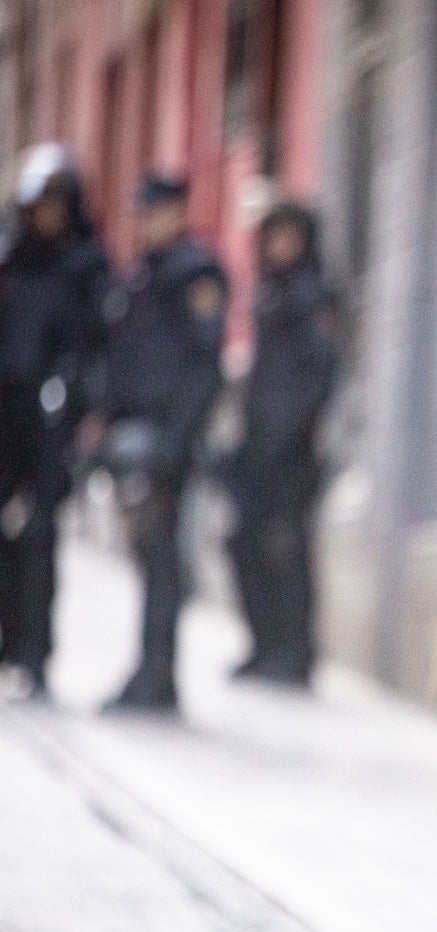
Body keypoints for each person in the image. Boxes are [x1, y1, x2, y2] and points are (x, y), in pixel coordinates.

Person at [100, 175, 228, 713]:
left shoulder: (195, 272)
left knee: (162, 560)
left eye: (157, 213)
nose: (149, 224)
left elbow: (204, 367)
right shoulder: (143, 275)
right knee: (147, 557)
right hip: (135, 437)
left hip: (168, 441)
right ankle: (151, 671)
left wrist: (178, 436)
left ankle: (157, 675)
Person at [0, 144, 111, 701]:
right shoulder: (10, 259)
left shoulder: (87, 267)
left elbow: (99, 346)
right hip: (6, 413)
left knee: (41, 534)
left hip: (53, 416)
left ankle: (35, 654)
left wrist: (83, 406)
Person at [225, 201, 338, 688]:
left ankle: (294, 654)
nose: (280, 246)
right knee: (245, 544)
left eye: (289, 236)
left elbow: (319, 376)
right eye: (274, 236)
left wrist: (290, 432)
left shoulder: (314, 296)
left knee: (287, 550)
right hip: (257, 447)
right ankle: (263, 645)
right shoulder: (268, 291)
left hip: (293, 450)